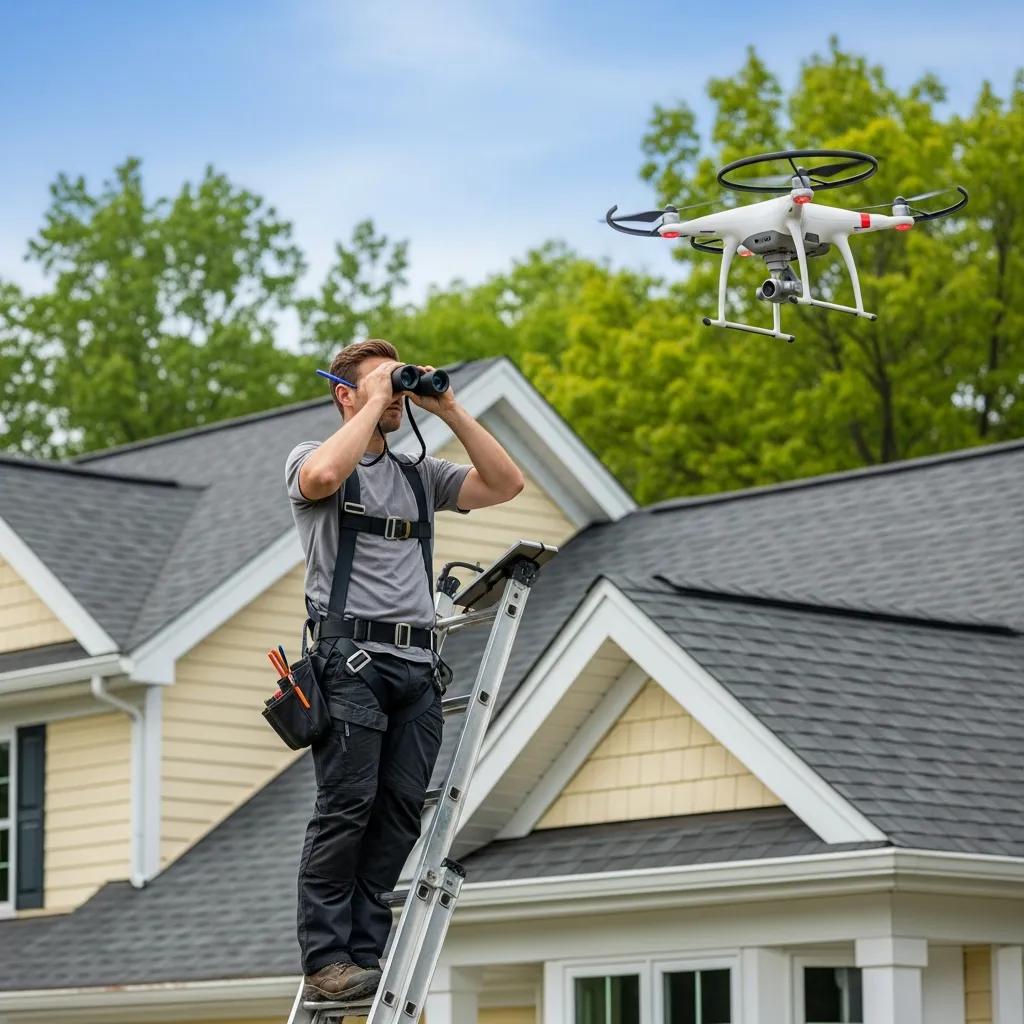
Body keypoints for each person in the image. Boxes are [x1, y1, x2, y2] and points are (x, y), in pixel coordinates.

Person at [285, 339, 524, 1002]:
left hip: (416, 667)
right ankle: (327, 956)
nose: (394, 399)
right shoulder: (310, 459)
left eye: (398, 387)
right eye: (377, 385)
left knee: (396, 814)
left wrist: (446, 406)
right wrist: (374, 398)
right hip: (348, 664)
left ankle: (366, 951)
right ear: (343, 394)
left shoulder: (422, 475)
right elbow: (325, 480)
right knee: (347, 808)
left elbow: (506, 484)